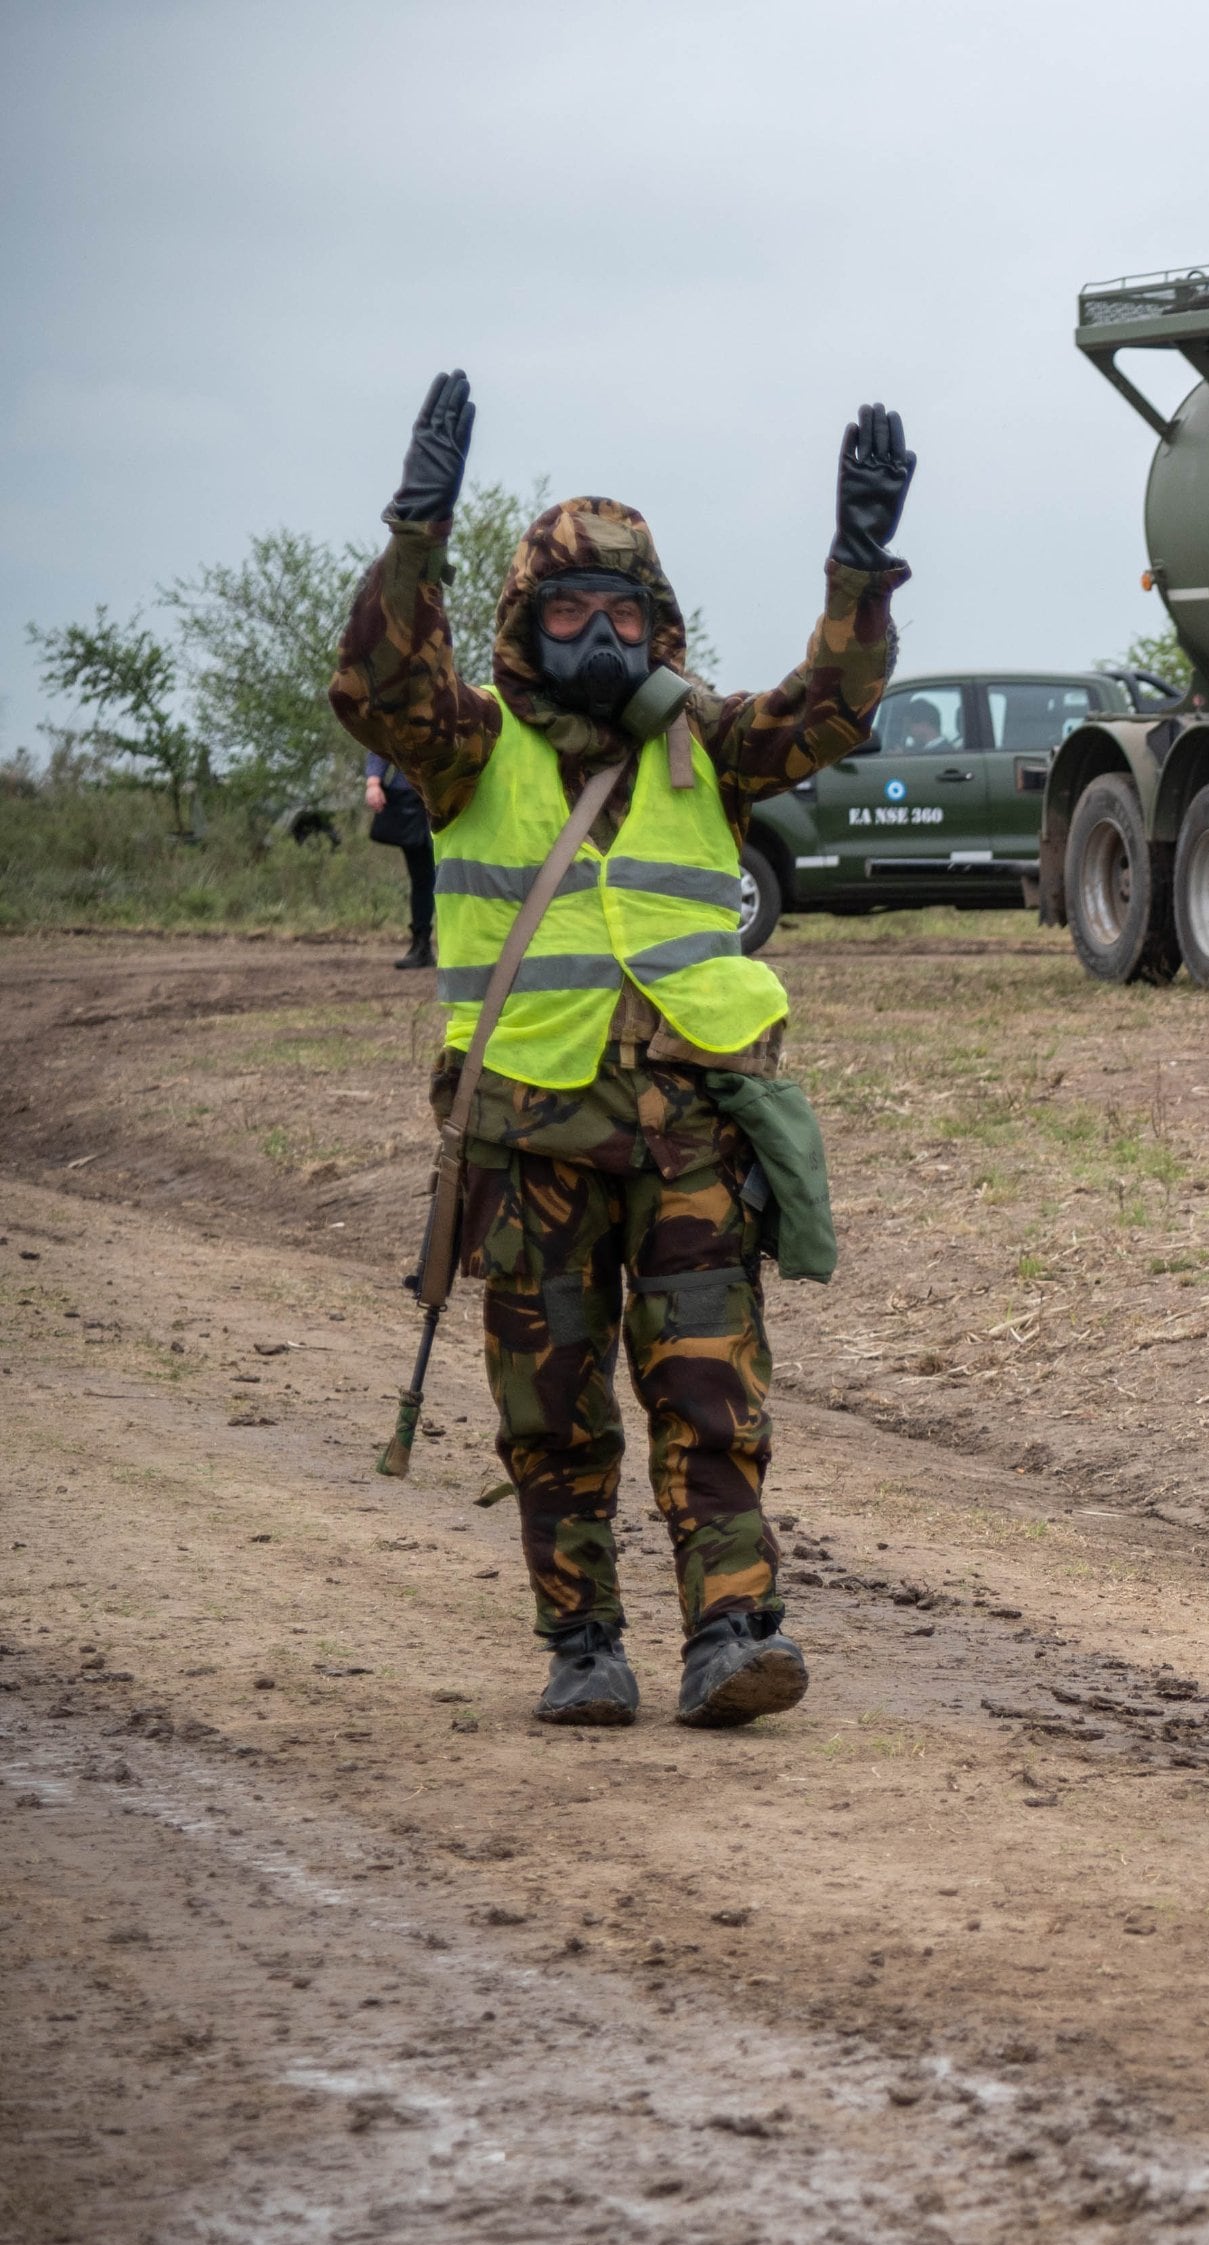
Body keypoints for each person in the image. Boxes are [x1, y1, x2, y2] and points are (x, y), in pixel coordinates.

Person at [329, 370, 910, 1731]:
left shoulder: (702, 743)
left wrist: (860, 571)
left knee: (710, 1394)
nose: (602, 632)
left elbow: (830, 708)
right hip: (527, 1136)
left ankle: (733, 1631)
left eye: (628, 612)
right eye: (572, 612)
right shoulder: (466, 744)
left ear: (664, 625)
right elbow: (374, 682)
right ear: (526, 625)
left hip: (691, 1133)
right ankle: (584, 1642)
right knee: (555, 1409)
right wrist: (414, 534)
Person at [362, 747, 435, 970]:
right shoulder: (403, 713)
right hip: (411, 800)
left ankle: (468, 945)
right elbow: (381, 742)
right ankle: (421, 946)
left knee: (457, 875)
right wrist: (373, 782)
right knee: (422, 877)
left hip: (453, 795)